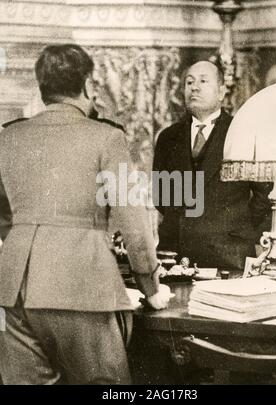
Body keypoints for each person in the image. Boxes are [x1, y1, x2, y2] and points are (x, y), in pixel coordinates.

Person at [0, 44, 172, 385]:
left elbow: (4, 215)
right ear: (88, 84)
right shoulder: (107, 137)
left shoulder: (9, 136)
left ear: (42, 87)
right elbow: (134, 224)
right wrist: (151, 287)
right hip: (79, 285)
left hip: (13, 290)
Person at [153, 60, 272, 271]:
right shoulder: (168, 137)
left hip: (228, 255)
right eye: (189, 82)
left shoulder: (243, 132)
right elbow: (160, 197)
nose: (194, 87)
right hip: (175, 257)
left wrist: (235, 228)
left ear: (221, 92)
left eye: (203, 81)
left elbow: (265, 195)